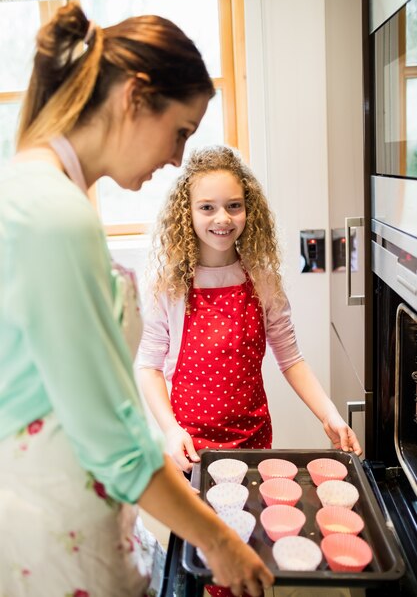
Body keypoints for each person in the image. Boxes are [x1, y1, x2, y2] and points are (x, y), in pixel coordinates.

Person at [0, 2, 274, 597]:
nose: (178, 158)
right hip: (54, 529)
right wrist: (220, 539)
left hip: (74, 508)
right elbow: (113, 439)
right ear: (135, 97)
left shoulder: (39, 192)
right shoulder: (52, 214)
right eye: (180, 131)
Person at [136, 144, 363, 472]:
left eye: (233, 206)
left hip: (253, 443)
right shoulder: (169, 285)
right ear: (186, 212)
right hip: (189, 446)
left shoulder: (262, 281)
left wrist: (330, 415)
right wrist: (171, 431)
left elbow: (292, 360)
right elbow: (150, 367)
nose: (223, 218)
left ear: (249, 209)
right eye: (207, 207)